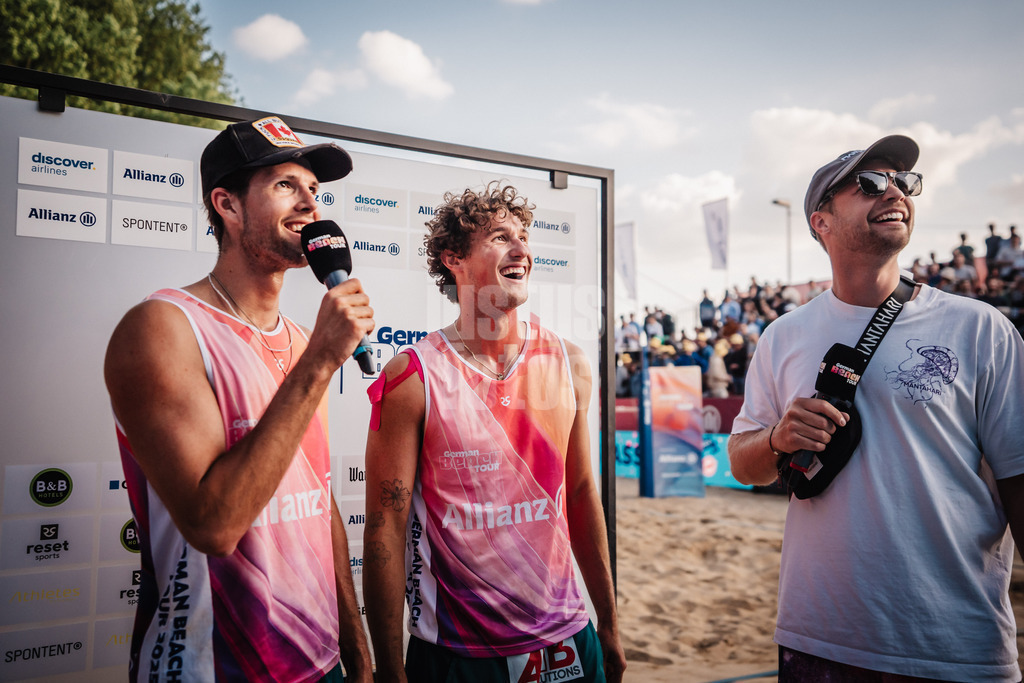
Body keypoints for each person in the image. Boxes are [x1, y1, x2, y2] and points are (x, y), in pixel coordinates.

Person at [728, 134, 1024, 681]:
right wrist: (776, 438)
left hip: (955, 643)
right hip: (818, 637)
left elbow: (1019, 479)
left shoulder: (981, 328)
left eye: (904, 182)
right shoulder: (782, 336)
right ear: (821, 222)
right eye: (869, 184)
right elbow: (743, 464)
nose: (894, 192)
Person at [104, 117, 374, 683]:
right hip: (210, 669)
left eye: (315, 191)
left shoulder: (302, 339)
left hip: (320, 664)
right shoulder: (164, 327)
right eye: (285, 186)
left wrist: (359, 654)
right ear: (226, 205)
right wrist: (321, 363)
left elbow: (319, 502)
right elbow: (213, 525)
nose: (310, 204)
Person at [361, 183, 626, 683]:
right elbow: (385, 528)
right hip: (457, 654)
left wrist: (608, 623)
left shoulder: (568, 362)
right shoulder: (413, 376)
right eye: (500, 237)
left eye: (524, 237)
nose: (522, 250)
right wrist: (390, 668)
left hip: (568, 640)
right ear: (453, 259)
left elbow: (583, 493)